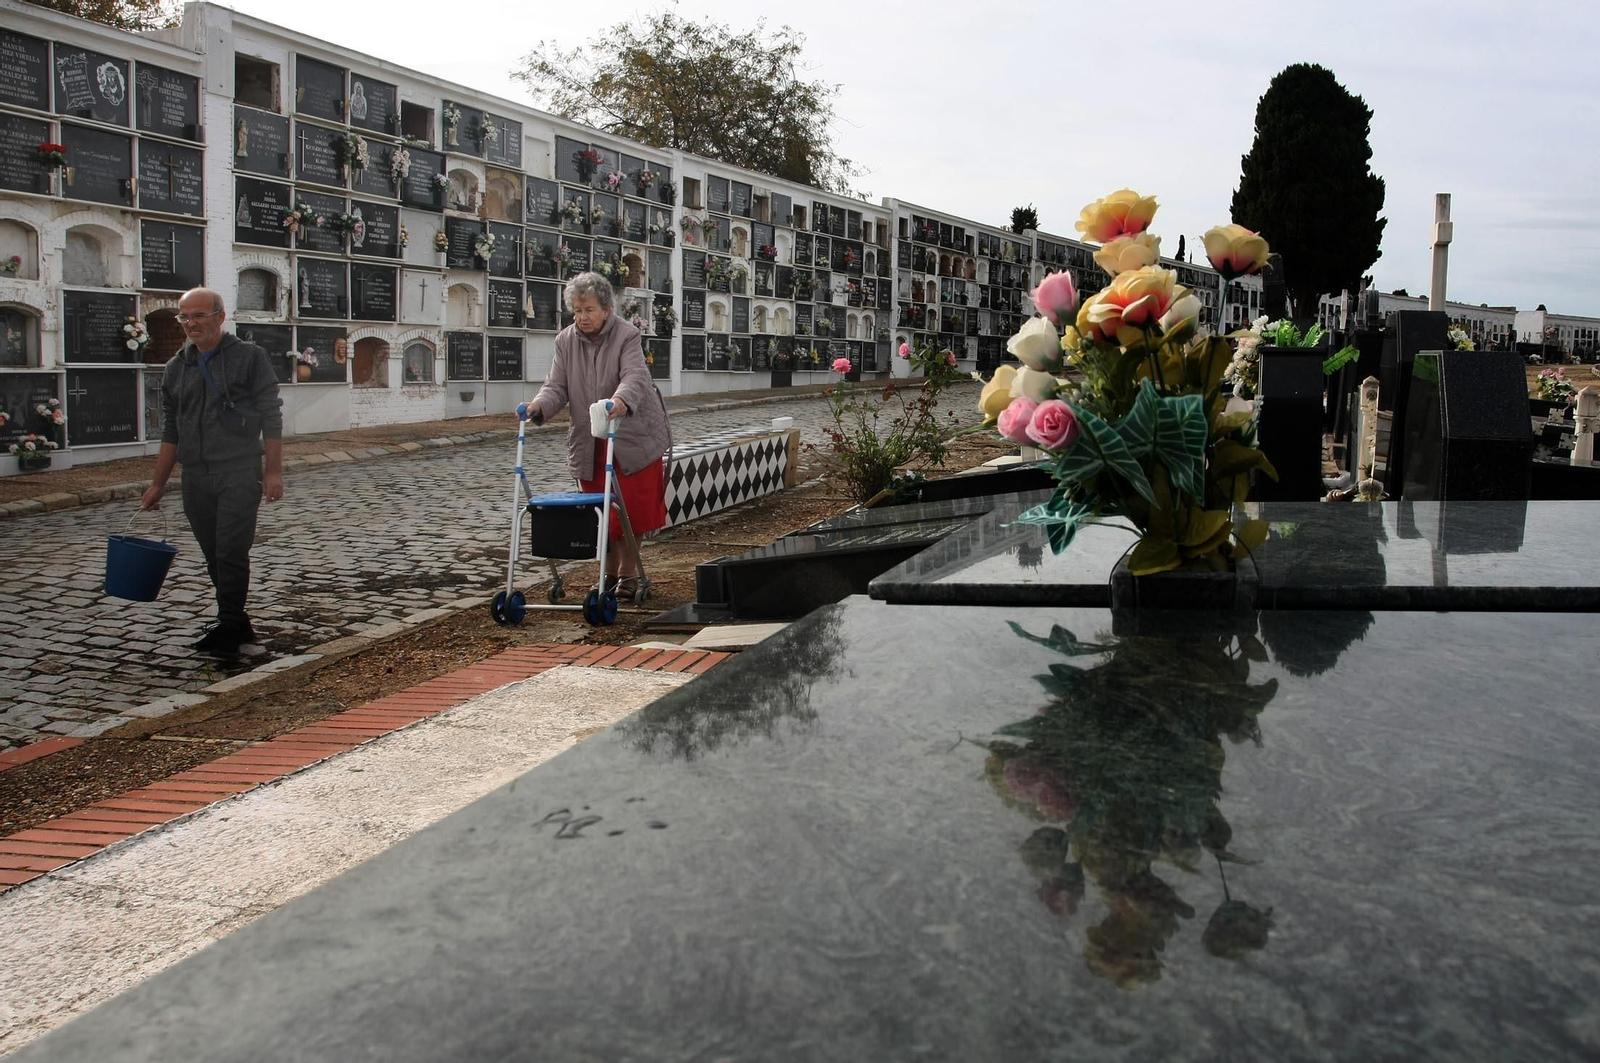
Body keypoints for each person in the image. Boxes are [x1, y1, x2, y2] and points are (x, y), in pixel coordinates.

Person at [140, 288, 284, 655]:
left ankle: (230, 624)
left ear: (220, 317)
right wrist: (158, 483)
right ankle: (236, 622)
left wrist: (273, 472)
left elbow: (271, 417)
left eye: (199, 315)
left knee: (231, 552)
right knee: (212, 552)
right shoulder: (176, 367)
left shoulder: (250, 358)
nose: (191, 323)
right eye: (184, 317)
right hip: (196, 477)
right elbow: (171, 429)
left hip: (238, 471)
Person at [525, 272, 670, 593]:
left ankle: (629, 576)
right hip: (590, 439)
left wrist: (619, 402)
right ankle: (608, 574)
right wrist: (538, 407)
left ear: (606, 308)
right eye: (576, 310)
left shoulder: (626, 335)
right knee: (601, 510)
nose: (582, 317)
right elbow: (556, 386)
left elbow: (634, 376)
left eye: (588, 309)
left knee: (631, 510)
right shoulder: (565, 340)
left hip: (632, 436)